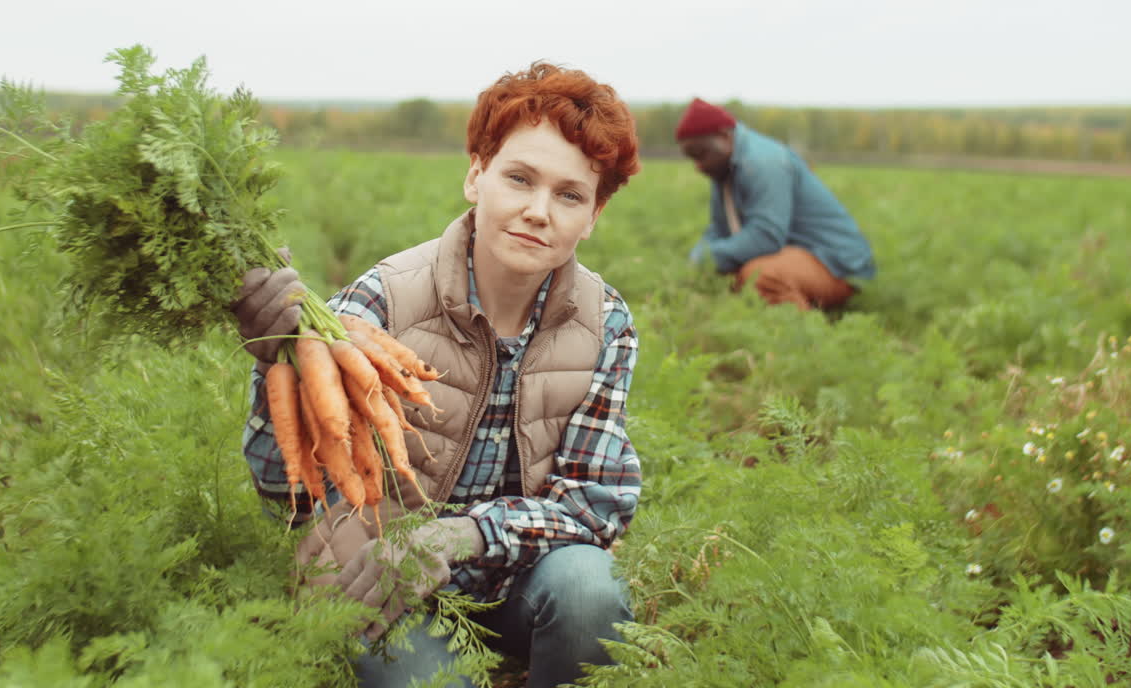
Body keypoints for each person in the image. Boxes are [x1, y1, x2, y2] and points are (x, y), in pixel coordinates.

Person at [232, 62, 643, 688]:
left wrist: (463, 536)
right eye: (519, 178)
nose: (539, 211)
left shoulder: (604, 322)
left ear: (593, 216)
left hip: (517, 578)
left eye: (568, 195)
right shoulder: (381, 303)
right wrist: (272, 363)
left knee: (591, 590)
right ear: (476, 175)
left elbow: (594, 503)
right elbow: (288, 493)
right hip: (382, 578)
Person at [678, 97, 876, 311]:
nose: (698, 166)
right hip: (794, 254)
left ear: (725, 136)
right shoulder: (723, 168)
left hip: (835, 263)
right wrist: (697, 258)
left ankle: (799, 336)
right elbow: (719, 228)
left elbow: (766, 236)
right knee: (724, 275)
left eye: (701, 154)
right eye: (692, 159)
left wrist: (707, 258)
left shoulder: (763, 163)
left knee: (760, 276)